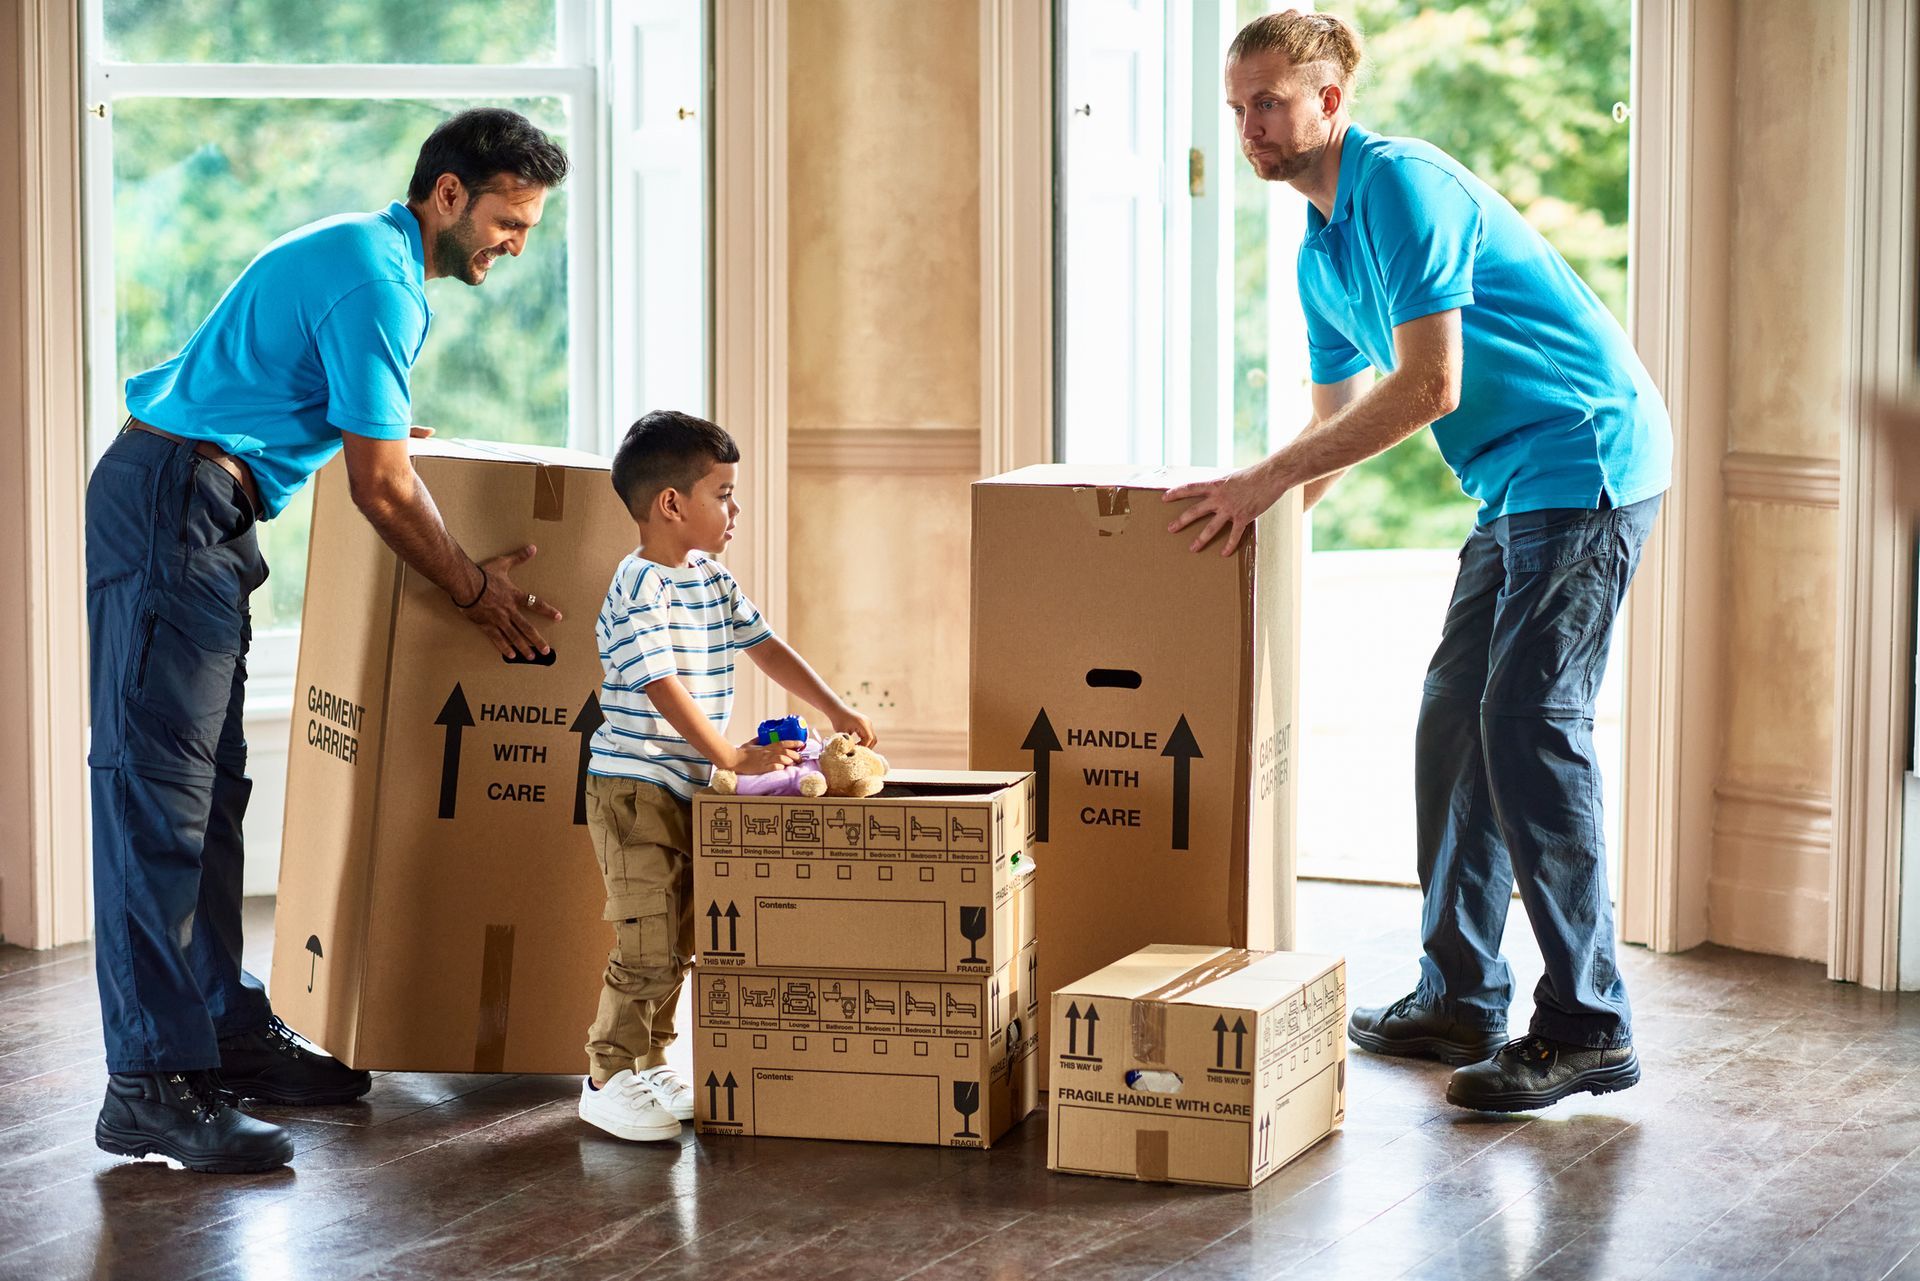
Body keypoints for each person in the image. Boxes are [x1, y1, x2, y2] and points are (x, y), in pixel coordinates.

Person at [1168, 11, 1672, 1112]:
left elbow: (1429, 387)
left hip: (1584, 456)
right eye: (1237, 108)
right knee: (1457, 715)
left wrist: (1260, 485)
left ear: (1330, 103)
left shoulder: (1400, 186)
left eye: (1270, 102)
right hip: (1509, 485)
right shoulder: (1319, 252)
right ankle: (1460, 995)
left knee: (1528, 722)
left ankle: (1590, 1023)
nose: (1251, 127)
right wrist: (1243, 530)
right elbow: (1332, 427)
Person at [88, 108, 570, 1173]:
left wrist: (382, 428)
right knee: (156, 802)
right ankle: (150, 1088)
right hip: (172, 504)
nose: (513, 246)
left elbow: (352, 429)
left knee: (209, 798)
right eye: (508, 221)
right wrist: (480, 592)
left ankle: (221, 1033)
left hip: (203, 509)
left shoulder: (367, 256)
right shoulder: (380, 280)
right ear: (448, 195)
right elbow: (382, 490)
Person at [575, 410, 878, 1140]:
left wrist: (833, 703)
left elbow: (765, 645)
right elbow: (661, 685)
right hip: (634, 788)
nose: (734, 511)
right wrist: (731, 756)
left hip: (688, 788)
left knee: (681, 937)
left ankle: (651, 1059)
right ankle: (606, 1073)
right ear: (671, 503)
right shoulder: (637, 587)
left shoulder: (709, 578)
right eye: (724, 494)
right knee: (645, 939)